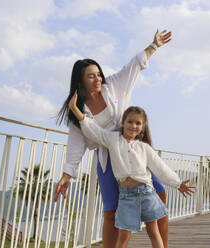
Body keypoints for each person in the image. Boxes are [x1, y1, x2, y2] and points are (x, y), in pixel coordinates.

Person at [54, 30, 172, 247]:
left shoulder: (114, 86)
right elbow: (76, 145)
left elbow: (133, 67)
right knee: (110, 212)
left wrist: (153, 46)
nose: (97, 78)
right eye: (91, 75)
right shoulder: (77, 109)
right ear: (81, 80)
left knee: (160, 194)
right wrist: (66, 174)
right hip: (108, 162)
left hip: (133, 153)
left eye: (98, 74)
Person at [68, 96, 195, 248]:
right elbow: (94, 131)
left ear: (142, 127)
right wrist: (75, 109)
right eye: (130, 121)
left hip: (146, 192)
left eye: (138, 123)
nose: (133, 126)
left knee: (153, 231)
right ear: (123, 123)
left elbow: (160, 168)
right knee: (123, 236)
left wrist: (178, 183)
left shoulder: (144, 148)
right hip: (126, 196)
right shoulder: (113, 139)